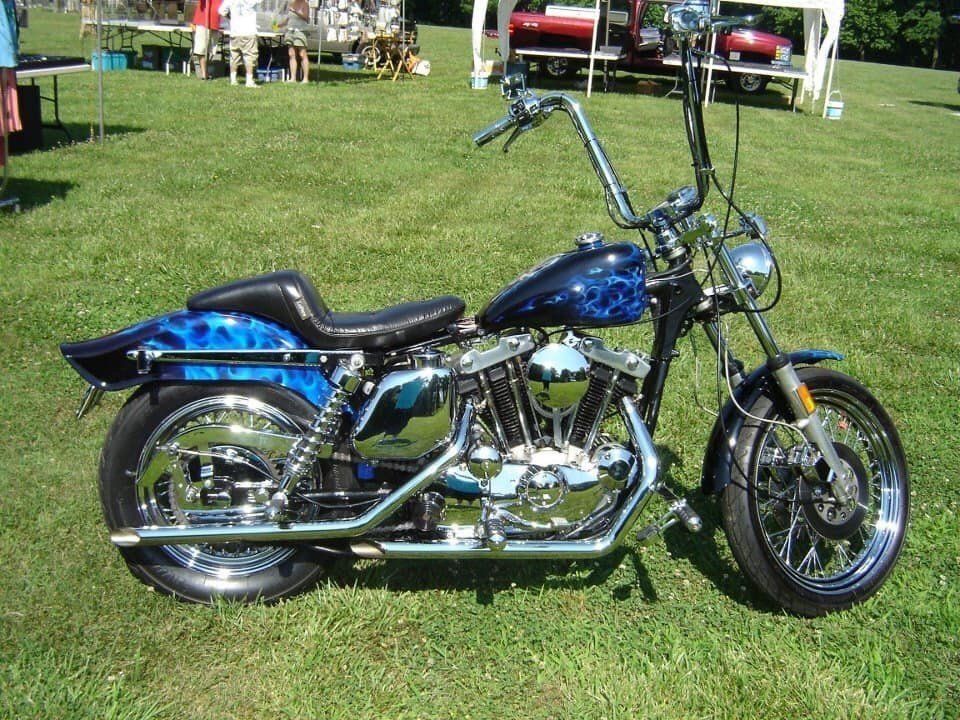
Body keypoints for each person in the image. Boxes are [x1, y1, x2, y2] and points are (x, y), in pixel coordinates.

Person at [218, 0, 260, 88]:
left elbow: (221, 11)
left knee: (234, 56)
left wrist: (231, 18)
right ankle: (249, 80)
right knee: (249, 56)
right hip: (249, 30)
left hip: (235, 31)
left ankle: (233, 79)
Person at [276, 0, 310, 83]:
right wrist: (278, 25)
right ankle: (293, 78)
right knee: (291, 54)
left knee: (302, 54)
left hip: (300, 31)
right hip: (290, 31)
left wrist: (296, 11)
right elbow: (288, 19)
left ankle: (305, 79)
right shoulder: (291, 3)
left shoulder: (305, 4)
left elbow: (306, 18)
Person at [191, 0, 223, 80]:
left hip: (215, 21)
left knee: (211, 49)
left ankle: (206, 72)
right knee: (201, 48)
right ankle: (204, 74)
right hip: (203, 20)